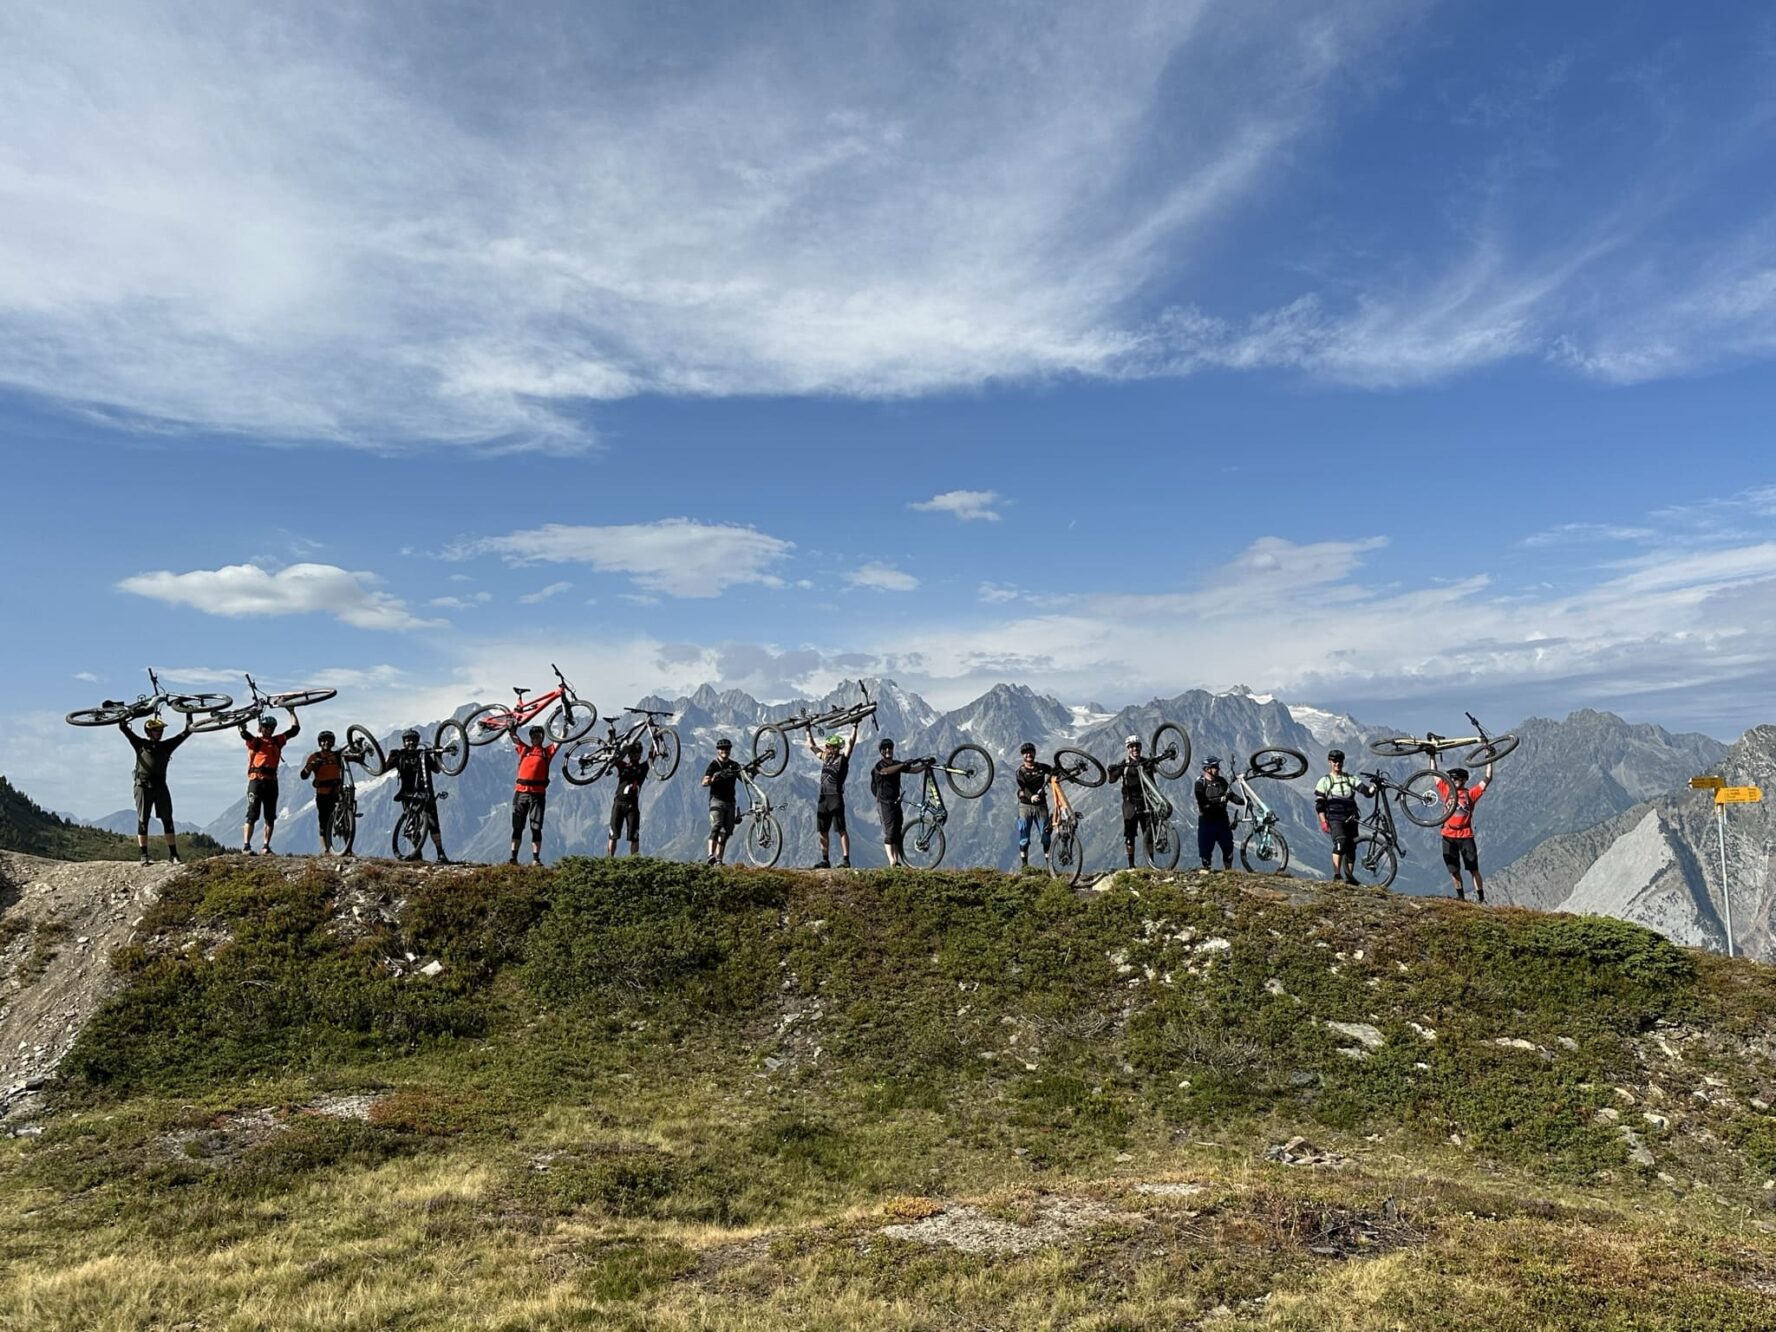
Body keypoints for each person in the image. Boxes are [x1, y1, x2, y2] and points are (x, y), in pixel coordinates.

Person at [119, 713, 191, 865]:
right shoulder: (140, 744)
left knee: (167, 819)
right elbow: (124, 730)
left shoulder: (166, 746)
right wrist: (122, 718)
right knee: (143, 820)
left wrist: (188, 715)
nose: (159, 732)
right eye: (156, 730)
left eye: (160, 730)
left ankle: (173, 854)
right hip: (142, 786)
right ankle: (144, 855)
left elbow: (186, 733)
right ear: (149, 732)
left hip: (160, 786)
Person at [239, 710, 300, 855]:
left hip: (271, 782)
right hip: (256, 781)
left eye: (271, 727)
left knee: (270, 816)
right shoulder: (256, 742)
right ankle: (246, 846)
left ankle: (266, 846)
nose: (269, 729)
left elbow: (295, 730)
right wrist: (241, 725)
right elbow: (244, 735)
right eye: (266, 727)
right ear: (261, 728)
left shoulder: (277, 741)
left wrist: (292, 712)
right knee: (252, 814)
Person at [386, 727, 450, 863]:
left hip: (426, 793)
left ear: (418, 742)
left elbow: (436, 769)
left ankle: (440, 853)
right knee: (412, 825)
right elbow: (383, 768)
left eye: (414, 740)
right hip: (407, 795)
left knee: (433, 824)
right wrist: (389, 757)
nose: (411, 743)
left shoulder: (424, 754)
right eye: (408, 740)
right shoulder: (399, 756)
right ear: (404, 742)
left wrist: (438, 755)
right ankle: (417, 853)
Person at [1314, 749, 1373, 885]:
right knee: (1340, 842)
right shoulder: (1324, 781)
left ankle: (1349, 878)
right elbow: (1320, 804)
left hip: (1352, 817)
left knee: (1351, 847)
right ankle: (1337, 875)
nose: (1337, 764)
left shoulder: (1350, 779)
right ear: (1329, 762)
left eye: (1340, 761)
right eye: (1334, 761)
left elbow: (1366, 792)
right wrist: (1323, 821)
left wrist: (1374, 787)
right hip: (1335, 818)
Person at [806, 721, 860, 869]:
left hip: (835, 797)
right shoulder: (825, 757)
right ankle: (825, 860)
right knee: (822, 830)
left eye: (828, 746)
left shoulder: (842, 759)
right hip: (823, 797)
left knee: (841, 829)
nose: (826, 748)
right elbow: (812, 746)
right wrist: (807, 730)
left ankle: (846, 859)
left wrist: (854, 727)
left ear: (835, 748)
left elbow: (851, 744)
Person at [1438, 763, 1494, 902]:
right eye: (1451, 778)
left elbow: (1487, 778)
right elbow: (1434, 774)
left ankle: (1481, 898)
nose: (1453, 781)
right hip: (1448, 836)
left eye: (1455, 779)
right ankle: (1461, 897)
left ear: (1463, 780)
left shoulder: (1470, 794)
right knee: (1453, 870)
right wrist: (1431, 756)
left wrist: (1490, 760)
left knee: (1473, 869)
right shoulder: (1446, 790)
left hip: (1466, 836)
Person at [870, 737, 926, 867]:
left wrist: (925, 766)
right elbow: (886, 772)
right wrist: (902, 765)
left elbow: (913, 770)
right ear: (881, 751)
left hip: (896, 802)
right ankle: (892, 861)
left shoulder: (896, 764)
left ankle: (896, 861)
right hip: (884, 802)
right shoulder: (879, 766)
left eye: (890, 748)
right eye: (885, 748)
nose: (888, 750)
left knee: (896, 832)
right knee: (889, 832)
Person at [508, 725, 558, 865]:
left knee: (536, 828)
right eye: (533, 736)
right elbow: (514, 739)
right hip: (521, 792)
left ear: (542, 738)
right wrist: (511, 729)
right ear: (530, 738)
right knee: (517, 827)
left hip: (537, 795)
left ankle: (536, 859)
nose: (536, 738)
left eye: (538, 736)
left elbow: (559, 741)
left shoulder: (546, 752)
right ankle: (513, 858)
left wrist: (565, 728)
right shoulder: (525, 749)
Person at [1105, 735, 1152, 869]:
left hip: (1145, 802)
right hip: (1130, 803)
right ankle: (1131, 865)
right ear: (1128, 749)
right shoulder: (1124, 764)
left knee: (1149, 834)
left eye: (1137, 746)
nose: (1135, 748)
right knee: (1130, 835)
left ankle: (1152, 864)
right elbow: (1111, 780)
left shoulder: (1146, 762)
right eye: (1132, 746)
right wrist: (1110, 771)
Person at [1193, 756, 1244, 872]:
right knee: (1205, 852)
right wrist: (1219, 799)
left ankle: (1228, 871)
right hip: (1207, 821)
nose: (1218, 769)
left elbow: (1231, 796)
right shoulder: (1200, 783)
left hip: (1222, 820)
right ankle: (1206, 871)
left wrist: (1243, 801)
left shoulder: (1221, 781)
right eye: (1215, 767)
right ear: (1207, 769)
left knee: (1228, 848)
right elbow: (1202, 801)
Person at [299, 730, 346, 855]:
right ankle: (326, 850)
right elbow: (303, 775)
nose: (327, 743)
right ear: (320, 743)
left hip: (337, 792)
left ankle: (347, 849)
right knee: (324, 822)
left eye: (329, 740)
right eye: (324, 740)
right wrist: (311, 766)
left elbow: (350, 759)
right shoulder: (315, 756)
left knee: (345, 821)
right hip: (323, 794)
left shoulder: (337, 756)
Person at [1014, 742, 1054, 868]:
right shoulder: (1020, 771)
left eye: (1031, 752)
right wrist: (1031, 796)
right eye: (1026, 753)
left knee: (1046, 835)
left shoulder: (1042, 767)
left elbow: (1055, 772)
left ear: (1035, 753)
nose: (1028, 755)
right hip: (1025, 806)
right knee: (1024, 836)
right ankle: (1025, 866)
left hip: (1041, 806)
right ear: (1022, 755)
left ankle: (1050, 866)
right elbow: (1023, 787)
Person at [702, 738, 742, 864]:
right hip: (717, 800)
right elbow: (704, 782)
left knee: (725, 833)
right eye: (722, 749)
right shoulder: (714, 765)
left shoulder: (734, 765)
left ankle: (719, 860)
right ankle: (710, 855)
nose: (724, 750)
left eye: (727, 748)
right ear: (718, 750)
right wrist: (713, 778)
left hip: (730, 802)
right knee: (716, 827)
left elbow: (744, 778)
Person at [606, 741, 648, 857]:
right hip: (618, 803)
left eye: (637, 753)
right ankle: (610, 860)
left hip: (632, 806)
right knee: (613, 835)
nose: (635, 755)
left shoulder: (643, 767)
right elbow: (612, 757)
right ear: (628, 754)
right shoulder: (623, 765)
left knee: (634, 837)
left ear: (640, 754)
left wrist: (657, 738)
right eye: (632, 752)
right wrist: (611, 741)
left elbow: (652, 756)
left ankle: (634, 862)